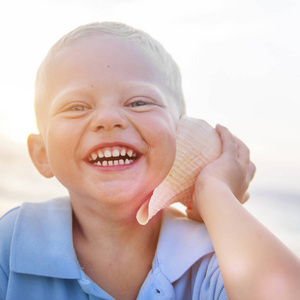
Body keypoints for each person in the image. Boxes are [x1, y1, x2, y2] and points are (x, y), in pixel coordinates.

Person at [0, 22, 299, 300]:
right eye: (76, 106)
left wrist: (215, 194)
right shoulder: (12, 242)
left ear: (179, 134)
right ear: (42, 154)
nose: (108, 119)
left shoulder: (215, 254)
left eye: (139, 102)